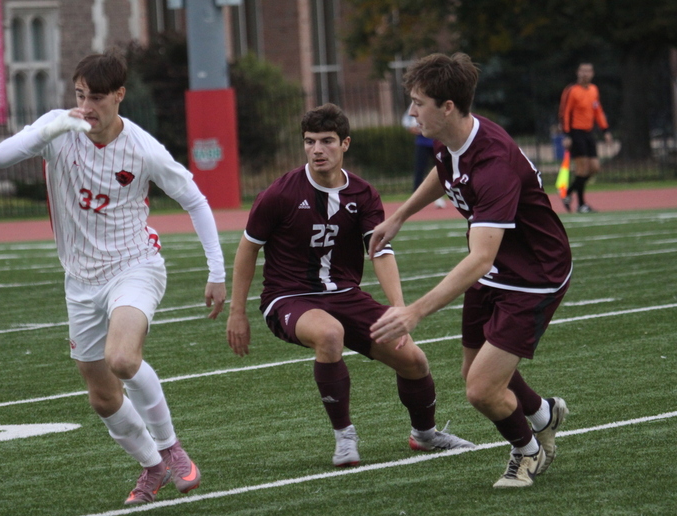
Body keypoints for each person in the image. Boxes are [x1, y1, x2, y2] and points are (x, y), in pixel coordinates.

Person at [0, 50, 226, 505]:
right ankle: (152, 468)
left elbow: (195, 200)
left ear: (120, 95)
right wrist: (53, 127)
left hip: (133, 265)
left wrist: (216, 271)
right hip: (79, 281)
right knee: (102, 397)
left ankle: (171, 448)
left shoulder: (143, 149)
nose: (86, 107)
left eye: (96, 98)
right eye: (79, 96)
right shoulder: (59, 126)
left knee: (122, 359)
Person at [226, 103, 474, 468]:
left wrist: (399, 308)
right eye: (309, 142)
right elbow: (248, 249)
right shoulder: (279, 194)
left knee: (414, 360)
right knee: (329, 334)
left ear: (345, 144)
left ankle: (425, 435)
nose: (317, 150)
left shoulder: (362, 194)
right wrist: (237, 313)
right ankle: (344, 437)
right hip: (288, 296)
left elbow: (381, 250)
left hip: (345, 295)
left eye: (326, 141)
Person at [368, 53, 571, 488]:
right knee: (474, 370)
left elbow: (479, 257)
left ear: (447, 106)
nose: (411, 112)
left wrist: (415, 311)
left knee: (480, 390)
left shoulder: (493, 164)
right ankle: (542, 413)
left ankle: (528, 451)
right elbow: (444, 174)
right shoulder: (450, 138)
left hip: (533, 275)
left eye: (418, 102)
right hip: (498, 267)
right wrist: (399, 216)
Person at [558, 62, 612, 213]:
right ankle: (581, 205)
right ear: (577, 72)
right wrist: (567, 134)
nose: (585, 74)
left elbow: (598, 111)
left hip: (588, 133)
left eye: (588, 71)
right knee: (582, 169)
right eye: (582, 71)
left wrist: (605, 130)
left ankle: (568, 193)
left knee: (594, 168)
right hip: (575, 133)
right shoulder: (571, 90)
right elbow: (564, 113)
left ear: (592, 73)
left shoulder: (594, 90)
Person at [402, 107, 446, 208]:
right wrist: (410, 128)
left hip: (437, 143)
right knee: (419, 170)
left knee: (442, 170)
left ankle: (441, 196)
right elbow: (406, 120)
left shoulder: (436, 105)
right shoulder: (415, 106)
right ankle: (415, 199)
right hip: (422, 143)